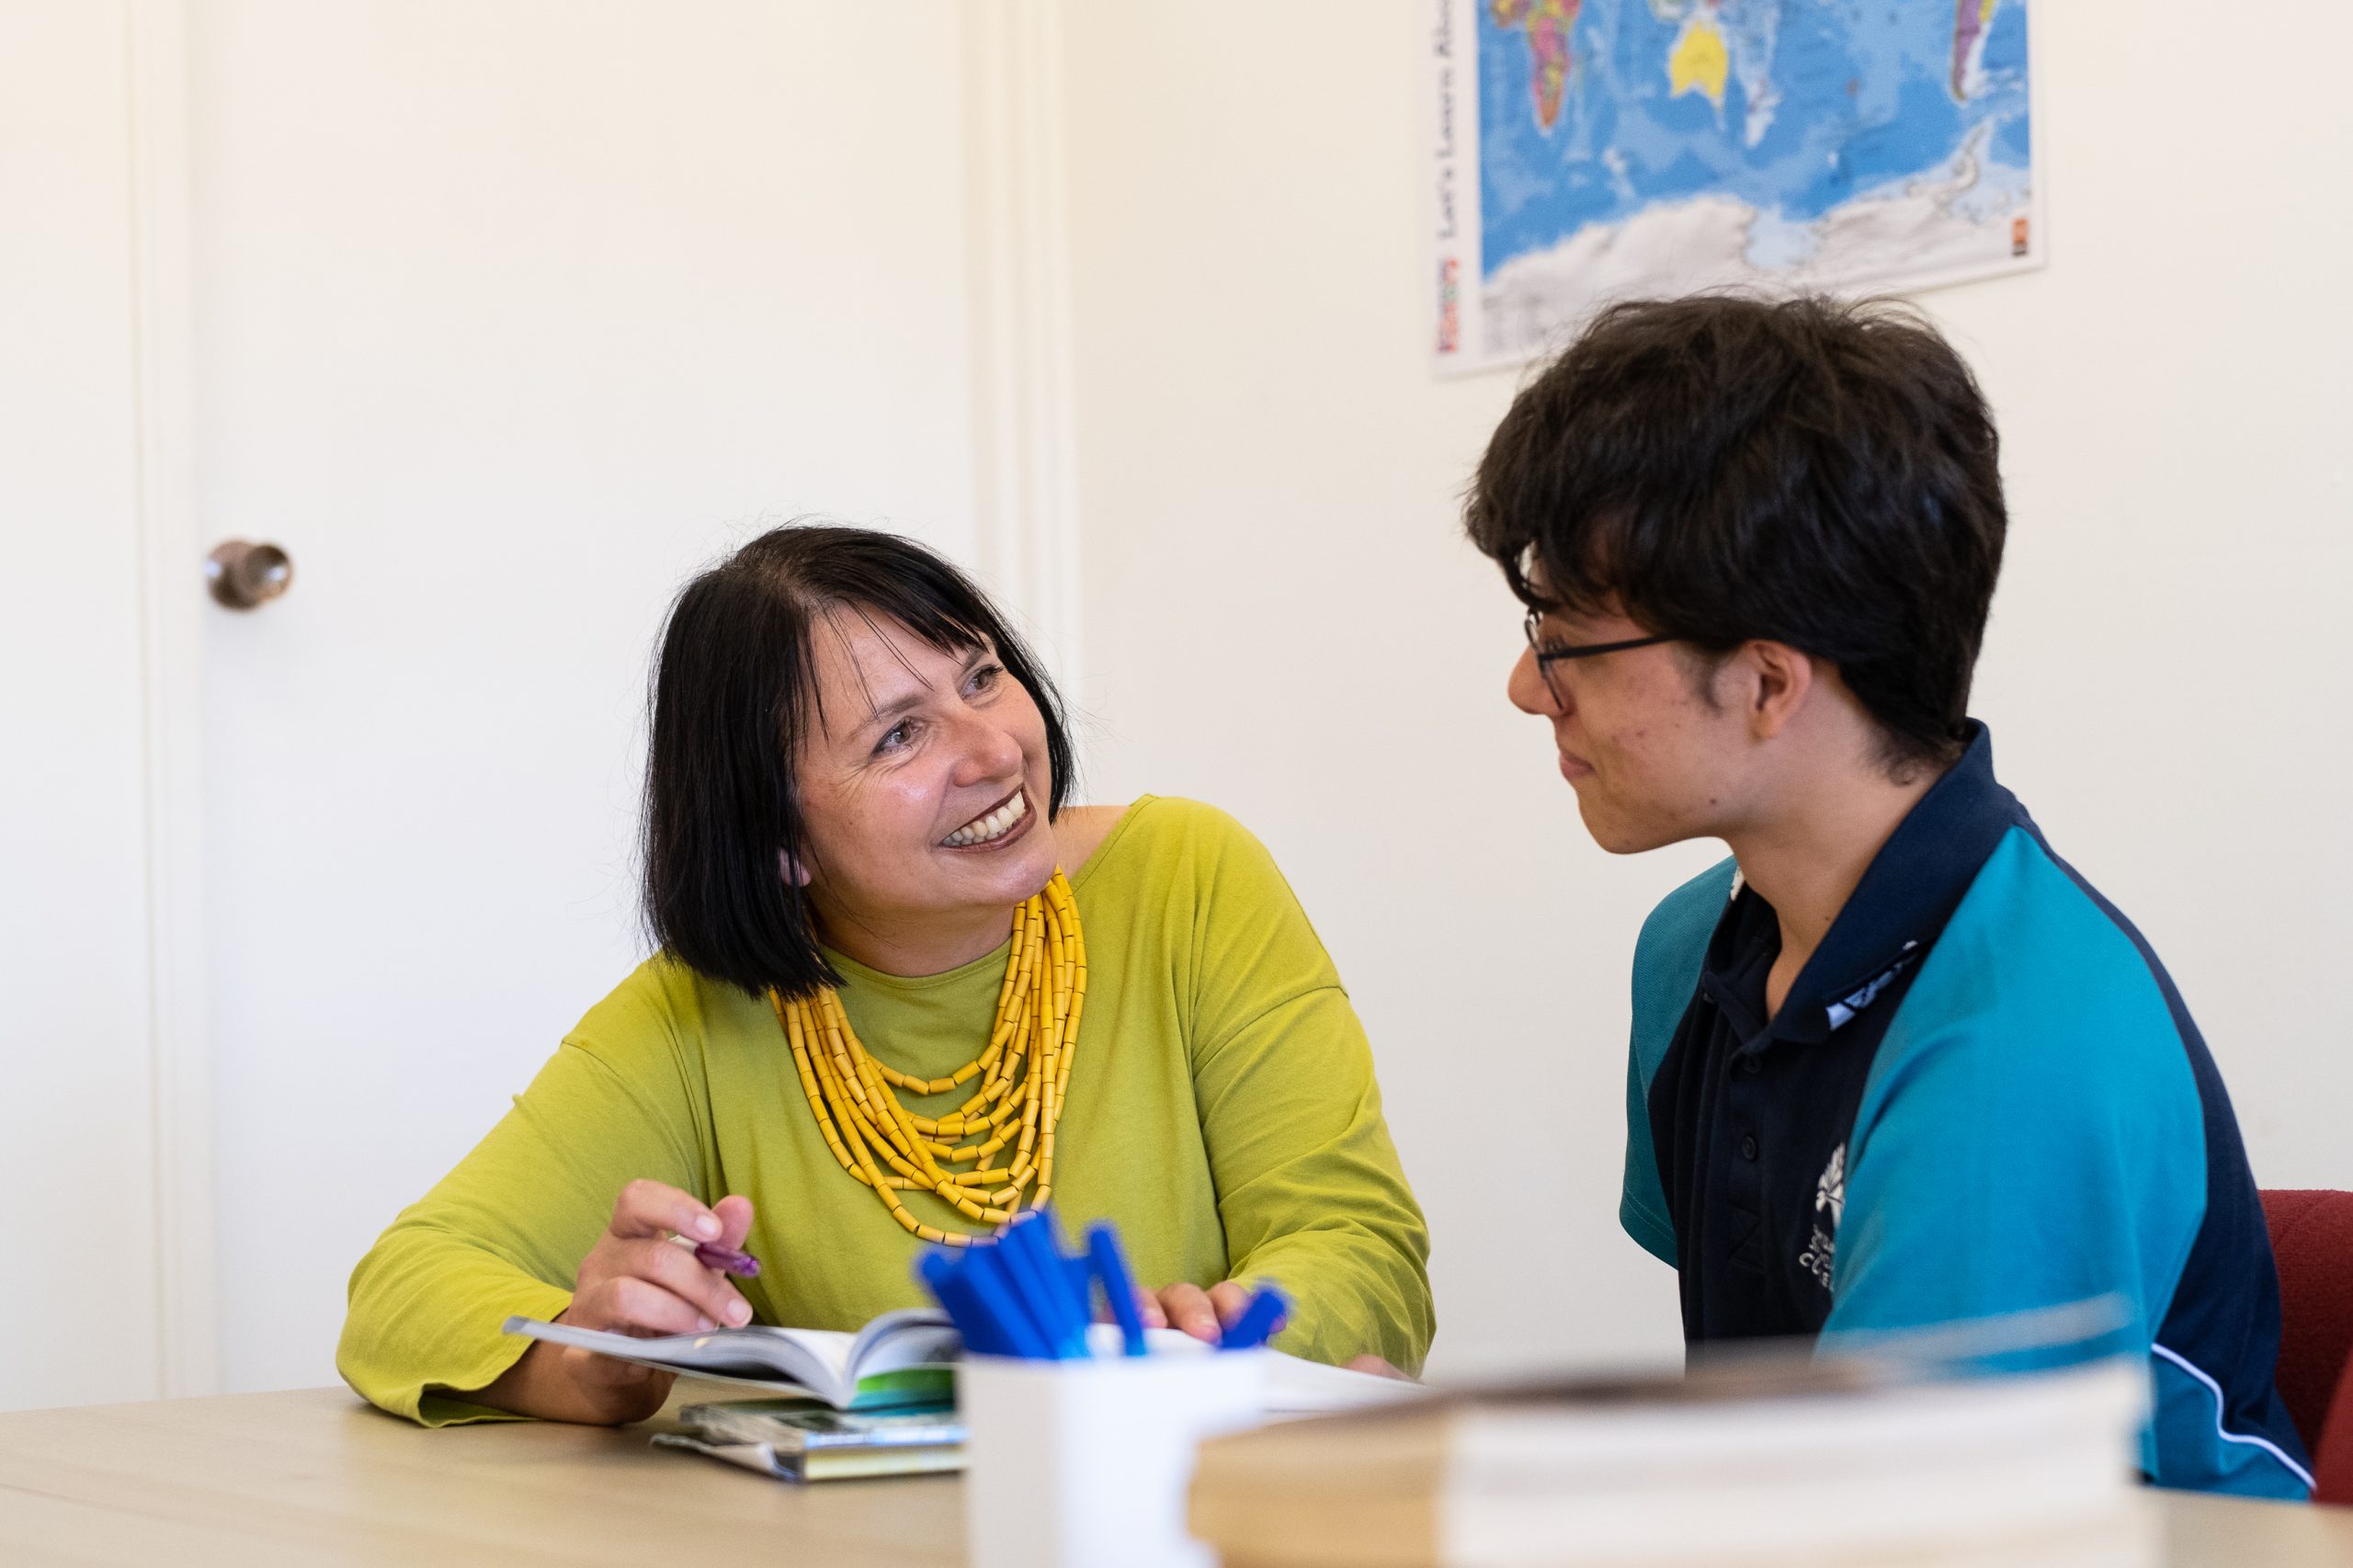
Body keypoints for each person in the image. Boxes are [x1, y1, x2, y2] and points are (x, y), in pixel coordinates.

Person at [1464, 294, 2310, 1498]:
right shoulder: (1690, 949)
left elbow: (1906, 1523)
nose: (1524, 687)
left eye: (1564, 638)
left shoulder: (2015, 1050)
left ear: (1767, 682)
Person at [338, 524, 1431, 1426]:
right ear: (780, 841)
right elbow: (406, 1283)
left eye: (983, 676)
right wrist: (592, 1364)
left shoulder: (1188, 877)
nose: (997, 747)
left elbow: (1361, 1245)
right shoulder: (697, 1013)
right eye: (901, 736)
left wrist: (1217, 1342)